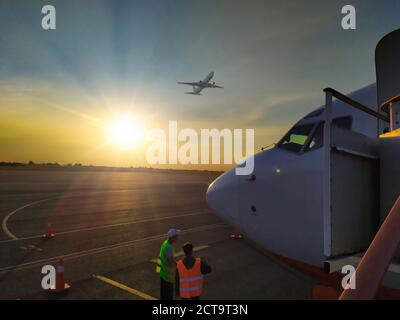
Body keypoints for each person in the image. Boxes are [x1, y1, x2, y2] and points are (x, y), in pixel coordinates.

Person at [156, 228, 180, 300]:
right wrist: (178, 265)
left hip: (163, 274)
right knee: (168, 297)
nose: (177, 238)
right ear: (172, 237)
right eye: (176, 236)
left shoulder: (165, 243)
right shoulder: (168, 248)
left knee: (164, 296)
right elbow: (170, 263)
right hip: (167, 277)